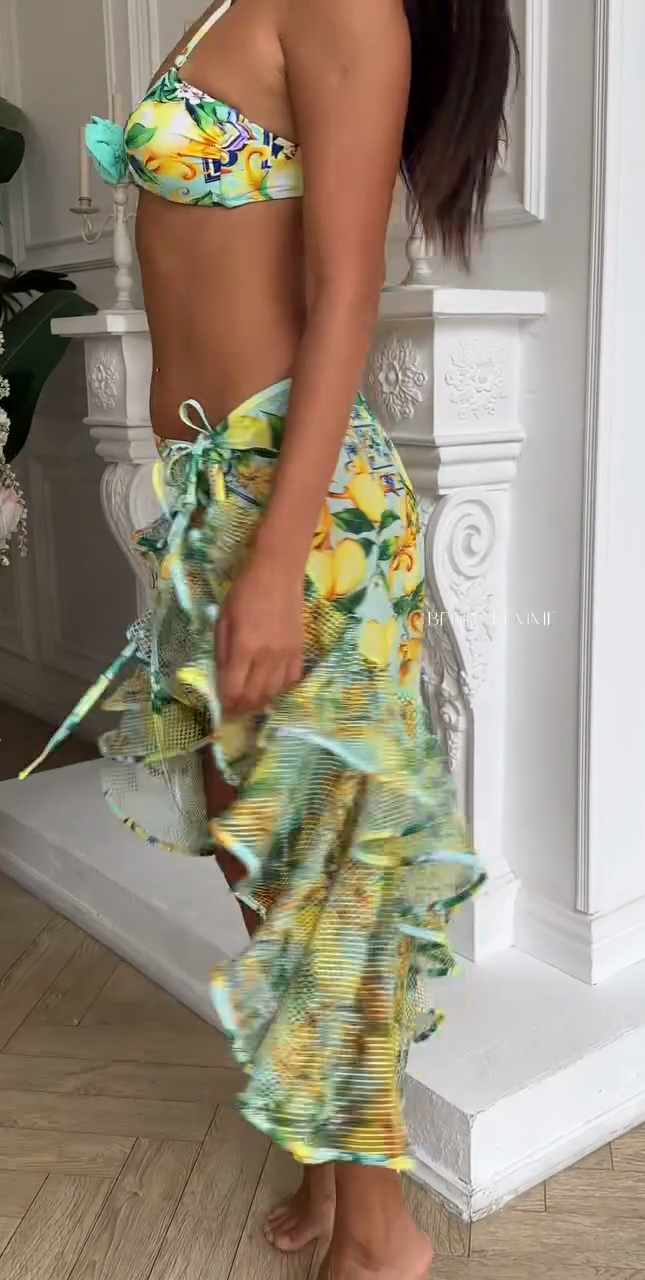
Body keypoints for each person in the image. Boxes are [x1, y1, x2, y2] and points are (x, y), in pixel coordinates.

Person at [23, 1, 516, 1275]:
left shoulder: (345, 6)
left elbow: (348, 288)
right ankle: (328, 1157)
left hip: (297, 510)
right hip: (212, 493)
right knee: (259, 853)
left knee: (327, 877)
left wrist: (281, 561)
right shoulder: (232, 6)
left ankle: (383, 1234)